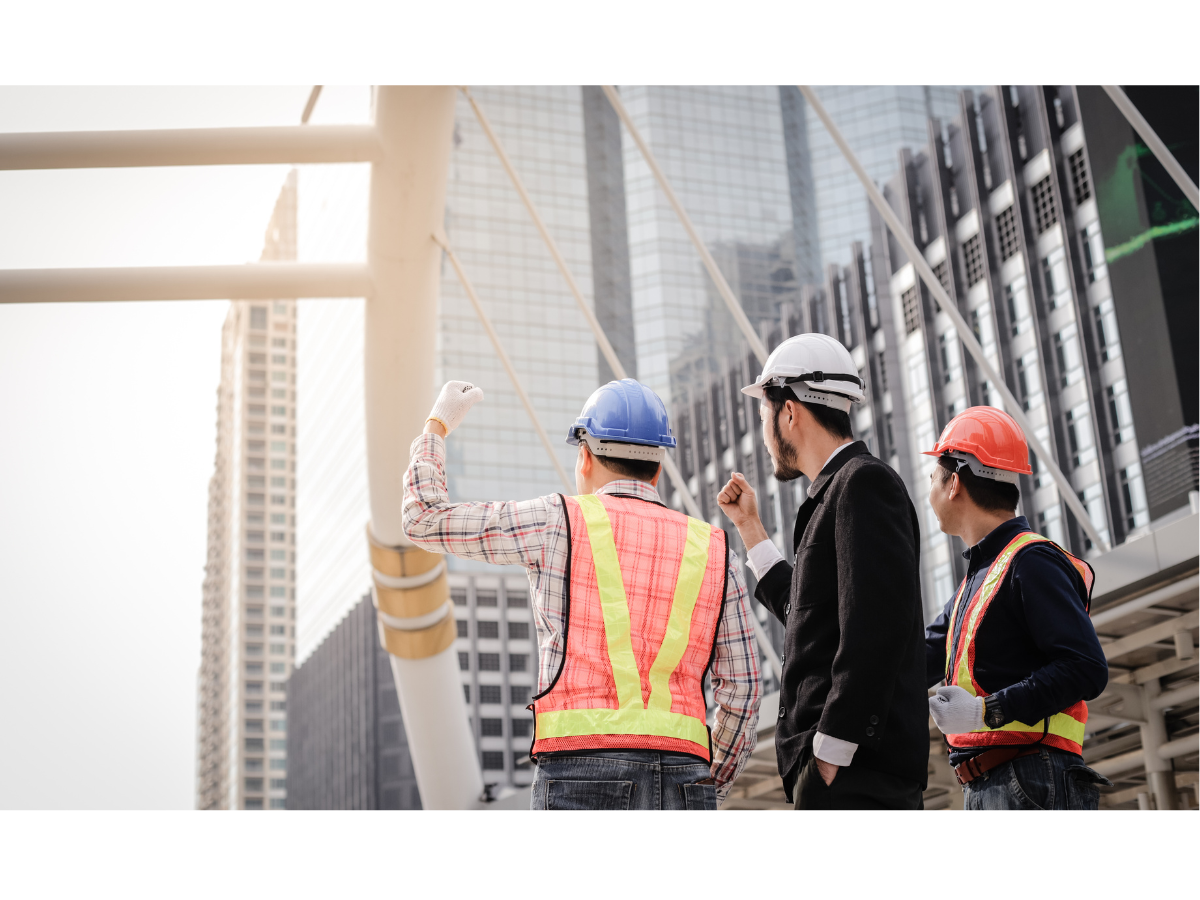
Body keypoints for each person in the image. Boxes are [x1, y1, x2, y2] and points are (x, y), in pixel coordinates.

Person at [403, 378, 761, 810]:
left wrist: (435, 428)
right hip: (685, 777)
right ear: (659, 468)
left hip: (579, 773)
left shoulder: (558, 521)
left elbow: (423, 519)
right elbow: (742, 690)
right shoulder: (714, 549)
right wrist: (707, 783)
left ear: (585, 456)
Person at [718, 333, 928, 810]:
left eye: (764, 416)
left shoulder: (863, 483)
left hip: (853, 773)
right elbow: (807, 612)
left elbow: (876, 627)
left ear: (788, 411)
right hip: (842, 772)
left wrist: (831, 750)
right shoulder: (836, 493)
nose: (765, 433)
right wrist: (750, 528)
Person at [922, 407, 1112, 809]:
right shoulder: (978, 581)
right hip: (1002, 782)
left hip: (1031, 778)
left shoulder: (1030, 561)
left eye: (932, 479)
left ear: (954, 482)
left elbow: (1086, 667)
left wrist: (983, 712)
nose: (929, 493)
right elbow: (914, 657)